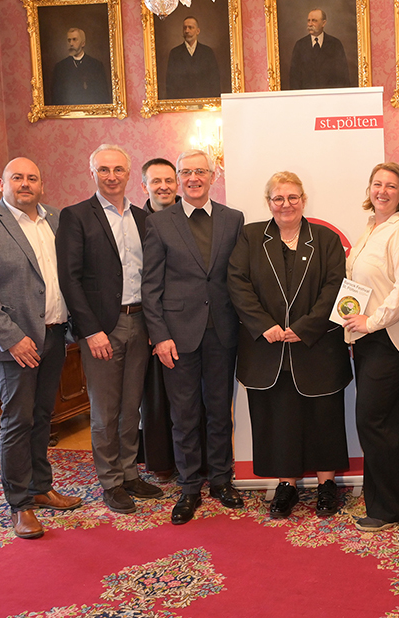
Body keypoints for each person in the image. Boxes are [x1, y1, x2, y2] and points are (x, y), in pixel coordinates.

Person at [0, 157, 82, 539]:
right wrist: (12, 338)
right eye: (17, 177)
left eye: (32, 178)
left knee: (42, 416)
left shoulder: (56, 220)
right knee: (18, 421)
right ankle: (20, 504)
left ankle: (40, 487)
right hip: (16, 344)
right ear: (2, 183)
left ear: (42, 185)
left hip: (54, 335)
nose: (25, 184)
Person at [228, 172, 353, 518]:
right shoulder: (251, 236)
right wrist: (263, 324)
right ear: (268, 202)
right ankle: (287, 485)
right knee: (280, 419)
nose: (286, 204)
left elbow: (335, 286)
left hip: (316, 346)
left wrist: (306, 327)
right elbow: (237, 283)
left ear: (304, 200)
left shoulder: (325, 239)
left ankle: (327, 485)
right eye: (278, 198)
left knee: (324, 418)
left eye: (293, 197)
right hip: (268, 349)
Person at [56, 145, 162, 514]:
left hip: (140, 321)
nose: (112, 176)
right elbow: (69, 279)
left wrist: (154, 324)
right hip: (102, 327)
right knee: (105, 411)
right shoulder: (76, 216)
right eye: (104, 169)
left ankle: (130, 473)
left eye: (118, 169)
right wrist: (90, 330)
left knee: (132, 406)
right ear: (93, 173)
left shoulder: (142, 218)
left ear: (129, 173)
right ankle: (111, 482)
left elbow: (151, 276)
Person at [142, 149, 245, 525]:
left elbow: (238, 277)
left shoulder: (233, 219)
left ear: (213, 176)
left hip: (223, 331)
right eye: (186, 172)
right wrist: (159, 336)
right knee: (184, 415)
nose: (193, 178)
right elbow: (150, 285)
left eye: (200, 172)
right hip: (177, 336)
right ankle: (188, 487)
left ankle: (221, 480)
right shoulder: (159, 223)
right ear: (178, 178)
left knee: (219, 412)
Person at [343, 163, 399, 532]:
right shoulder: (371, 228)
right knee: (387, 418)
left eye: (391, 186)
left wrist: (371, 321)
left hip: (391, 336)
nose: (383, 191)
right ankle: (398, 495)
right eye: (377, 184)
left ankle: (389, 508)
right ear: (369, 189)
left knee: (372, 419)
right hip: (369, 337)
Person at [137, 157, 180, 480]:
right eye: (156, 181)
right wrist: (154, 325)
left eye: (169, 180)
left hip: (189, 321)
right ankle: (163, 462)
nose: (163, 187)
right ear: (145, 186)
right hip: (151, 322)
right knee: (154, 397)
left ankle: (196, 460)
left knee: (192, 399)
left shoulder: (191, 215)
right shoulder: (135, 221)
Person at [288, 8, 352, 90]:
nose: (310, 24)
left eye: (314, 21)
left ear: (323, 23)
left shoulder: (335, 44)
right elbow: (294, 77)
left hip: (330, 95)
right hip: (307, 95)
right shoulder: (300, 45)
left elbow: (343, 76)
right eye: (308, 21)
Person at [49, 27, 110, 106]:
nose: (71, 43)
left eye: (74, 39)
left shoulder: (96, 66)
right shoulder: (60, 67)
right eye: (69, 40)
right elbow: (56, 98)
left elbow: (103, 97)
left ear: (83, 43)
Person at [165, 16, 221, 100]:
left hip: (204, 102)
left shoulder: (208, 52)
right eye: (185, 28)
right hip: (182, 102)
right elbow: (170, 83)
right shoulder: (174, 53)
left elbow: (214, 81)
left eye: (190, 27)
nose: (187, 31)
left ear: (198, 31)